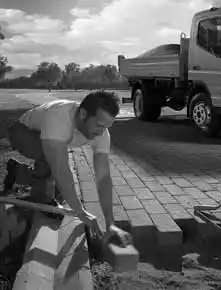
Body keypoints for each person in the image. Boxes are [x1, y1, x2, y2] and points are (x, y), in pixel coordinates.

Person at [4, 91, 130, 243]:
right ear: (83, 114)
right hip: (21, 132)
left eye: (107, 127)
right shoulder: (59, 116)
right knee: (54, 161)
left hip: (47, 139)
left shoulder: (101, 133)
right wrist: (81, 213)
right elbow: (61, 169)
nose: (101, 133)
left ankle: (18, 171)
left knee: (61, 185)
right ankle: (38, 193)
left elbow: (103, 178)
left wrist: (110, 223)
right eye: (98, 125)